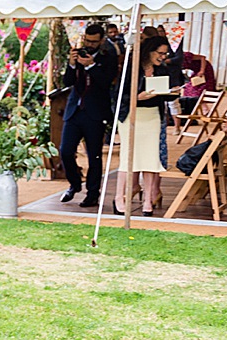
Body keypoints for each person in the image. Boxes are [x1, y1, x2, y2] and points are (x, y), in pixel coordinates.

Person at [113, 34, 182, 216]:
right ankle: (119, 198)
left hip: (153, 115)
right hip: (131, 115)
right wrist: (137, 97)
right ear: (149, 52)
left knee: (151, 159)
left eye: (165, 54)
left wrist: (174, 92)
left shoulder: (163, 69)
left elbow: (167, 91)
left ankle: (148, 201)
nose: (163, 57)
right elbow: (118, 94)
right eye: (160, 53)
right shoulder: (131, 67)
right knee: (128, 158)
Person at [58, 21, 122, 209]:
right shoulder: (78, 54)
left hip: (95, 112)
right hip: (75, 110)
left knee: (94, 155)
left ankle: (93, 193)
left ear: (101, 41)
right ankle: (74, 183)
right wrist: (71, 64)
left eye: (94, 42)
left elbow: (105, 82)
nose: (89, 45)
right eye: (87, 40)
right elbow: (67, 82)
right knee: (66, 150)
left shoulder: (108, 57)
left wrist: (92, 66)